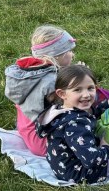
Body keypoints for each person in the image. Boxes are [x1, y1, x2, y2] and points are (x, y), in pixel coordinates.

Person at [36, 65, 109, 184]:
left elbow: (87, 114)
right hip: (82, 175)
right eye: (78, 90)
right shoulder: (75, 124)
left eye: (90, 88)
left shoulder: (60, 110)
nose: (86, 94)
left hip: (63, 169)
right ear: (62, 94)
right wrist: (107, 147)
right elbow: (92, 160)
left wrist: (107, 104)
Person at [5, 25, 77, 155]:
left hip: (26, 129)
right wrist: (79, 80)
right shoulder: (52, 82)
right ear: (58, 55)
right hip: (44, 143)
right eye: (69, 51)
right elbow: (69, 106)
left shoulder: (28, 73)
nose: (72, 55)